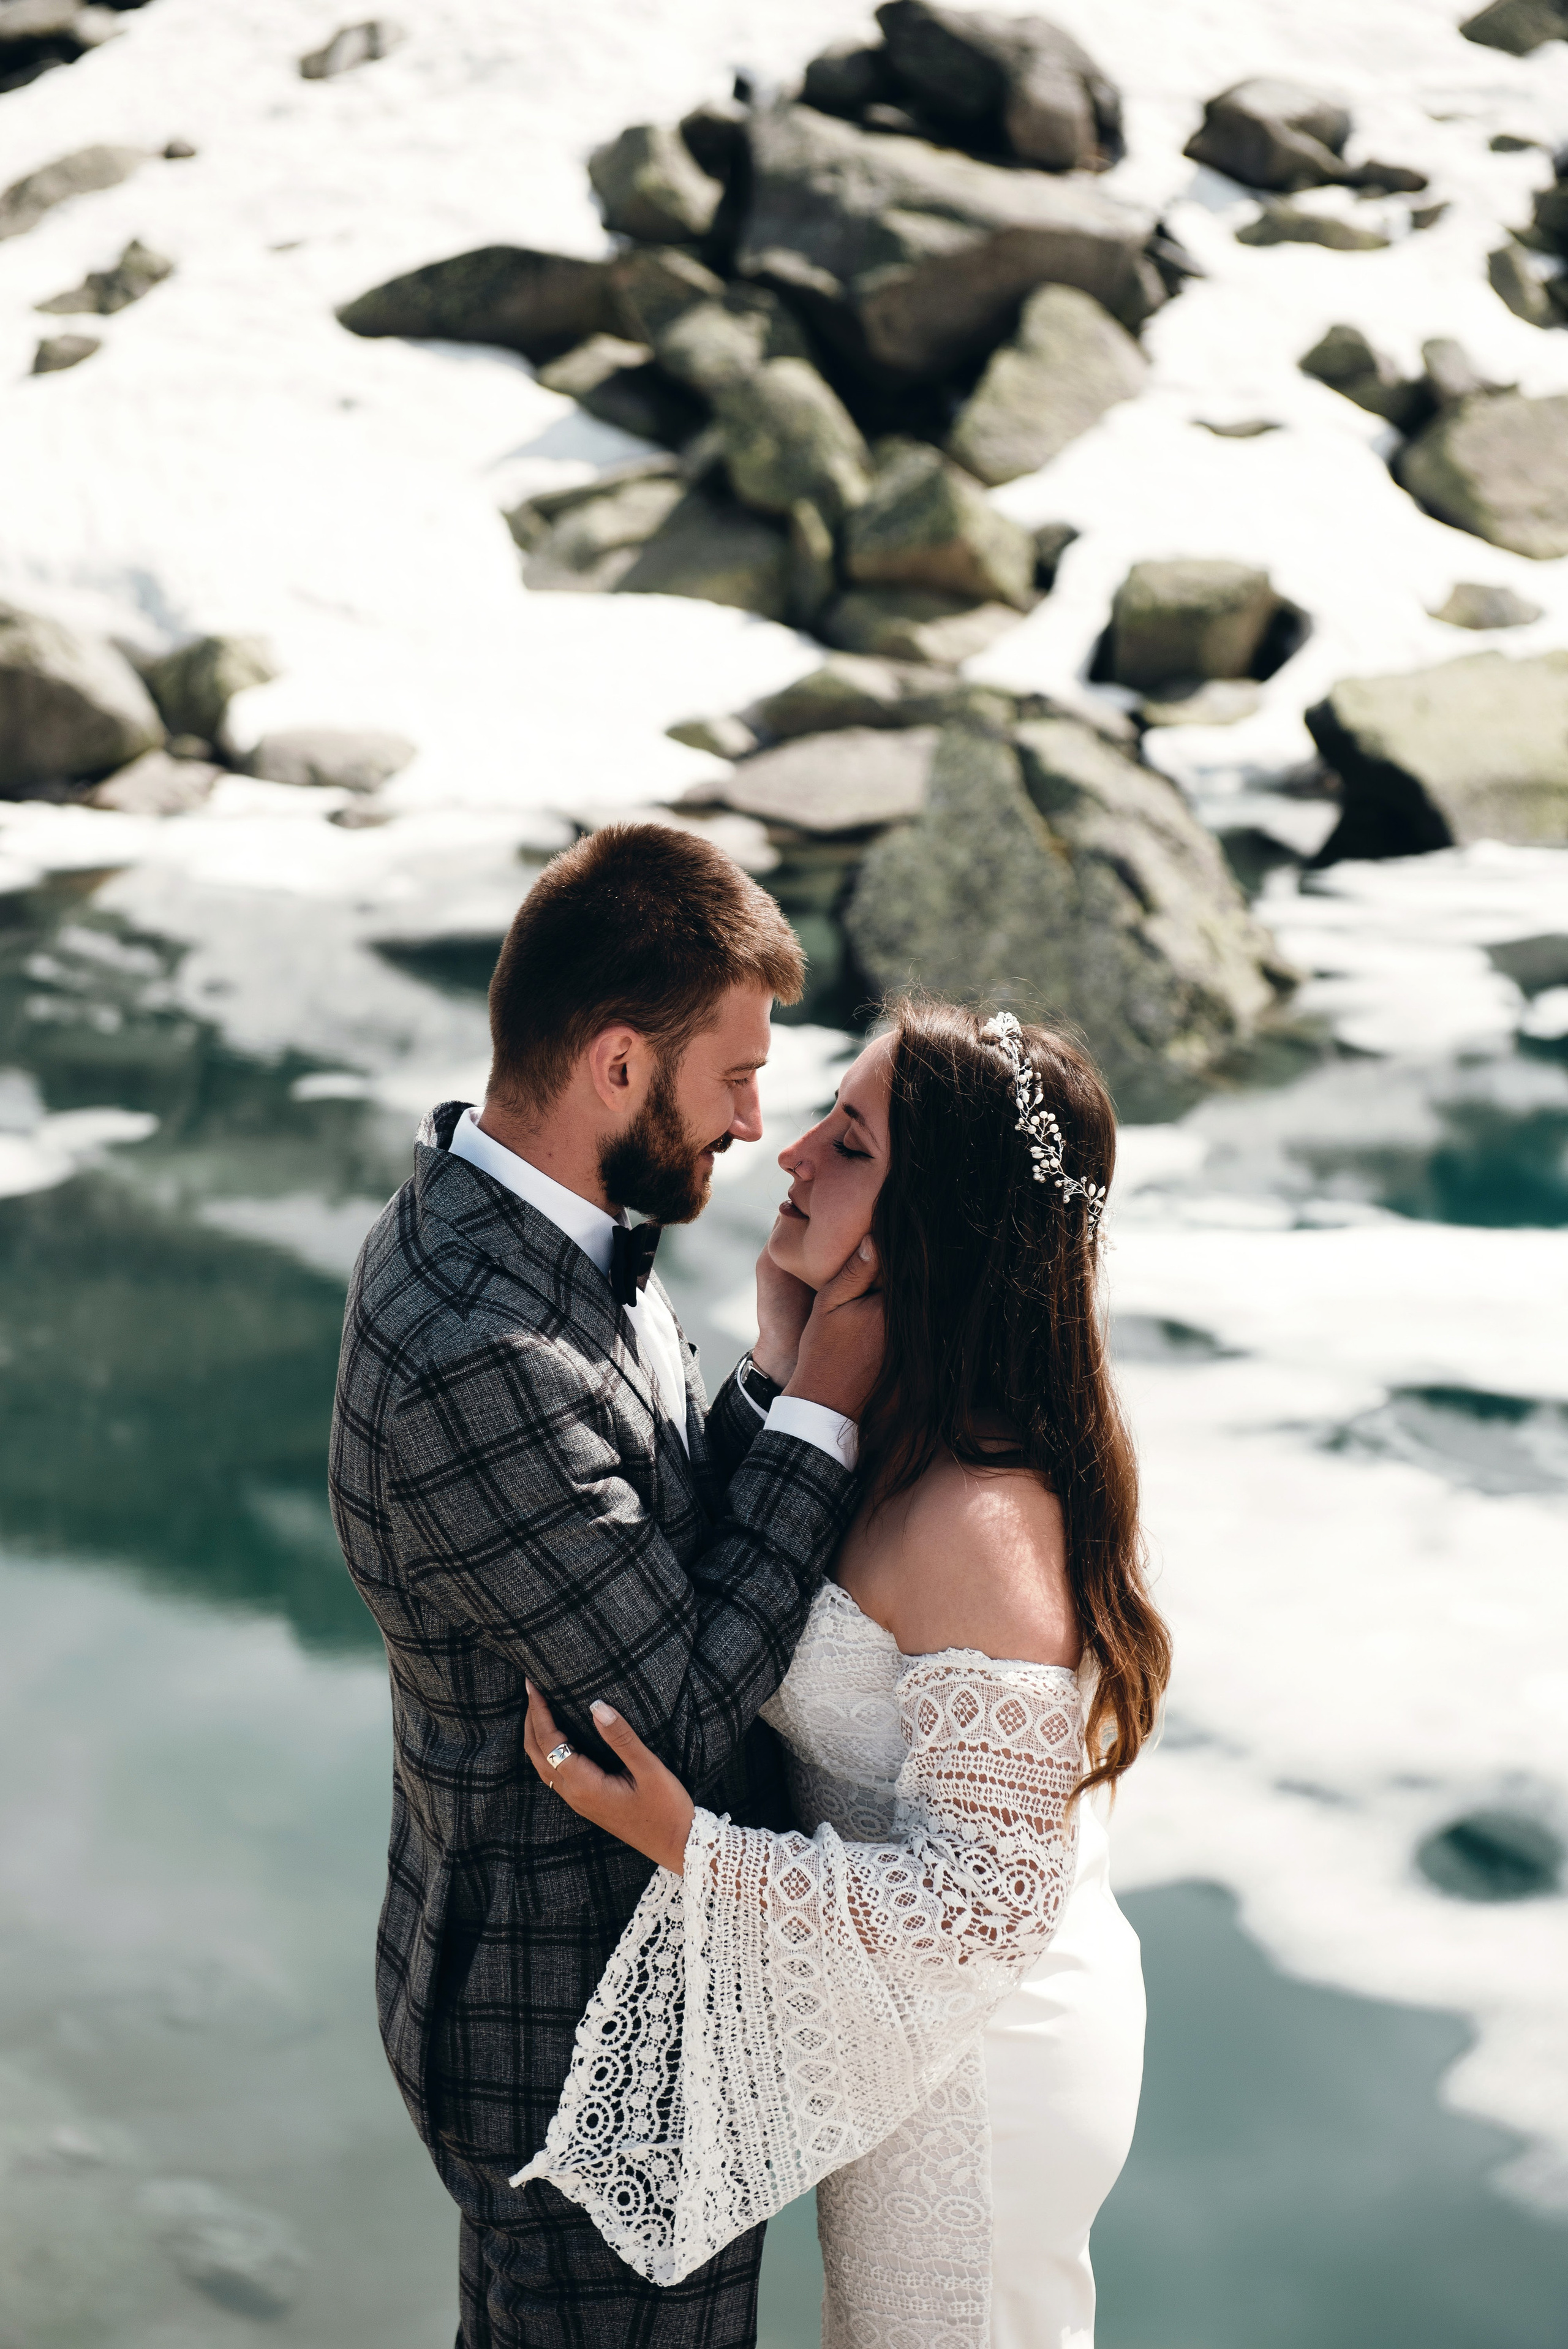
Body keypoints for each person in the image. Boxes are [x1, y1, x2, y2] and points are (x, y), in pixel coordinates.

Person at [515, 997, 1172, 2349]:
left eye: (852, 1143)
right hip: (908, 2031)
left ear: (935, 1222)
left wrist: (690, 1847)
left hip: (987, 2066)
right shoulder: (883, 1423)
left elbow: (991, 1898)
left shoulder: (977, 1519)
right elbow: (734, 1571)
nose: (792, 1152)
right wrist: (782, 1353)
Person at [328, 823, 884, 2349]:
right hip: (573, 2048)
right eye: (736, 1076)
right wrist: (831, 1398)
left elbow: (655, 1541)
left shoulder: (522, 1230)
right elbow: (682, 1715)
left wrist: (769, 1369)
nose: (756, 1123)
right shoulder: (476, 1349)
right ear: (619, 1064)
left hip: (570, 1993)